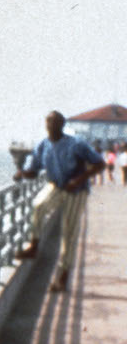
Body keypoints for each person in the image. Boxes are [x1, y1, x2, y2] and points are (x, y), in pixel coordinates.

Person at [13, 110, 105, 292]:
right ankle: (34, 245)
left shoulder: (76, 144)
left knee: (68, 233)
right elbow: (34, 171)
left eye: (55, 123)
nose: (51, 127)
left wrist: (80, 179)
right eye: (48, 123)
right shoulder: (43, 145)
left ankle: (62, 277)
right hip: (56, 185)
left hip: (76, 190)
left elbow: (100, 164)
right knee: (38, 205)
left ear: (62, 126)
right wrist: (22, 173)